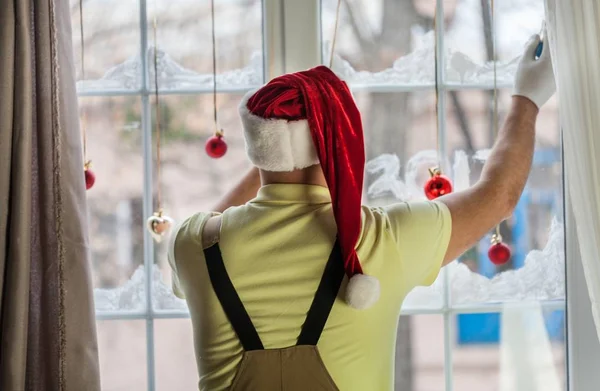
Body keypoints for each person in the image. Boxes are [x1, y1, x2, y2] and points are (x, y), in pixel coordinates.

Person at [168, 33, 555, 391]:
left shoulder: (193, 245)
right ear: (337, 142)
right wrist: (527, 98)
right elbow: (498, 196)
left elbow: (213, 224)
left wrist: (276, 149)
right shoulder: (380, 239)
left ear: (257, 147)